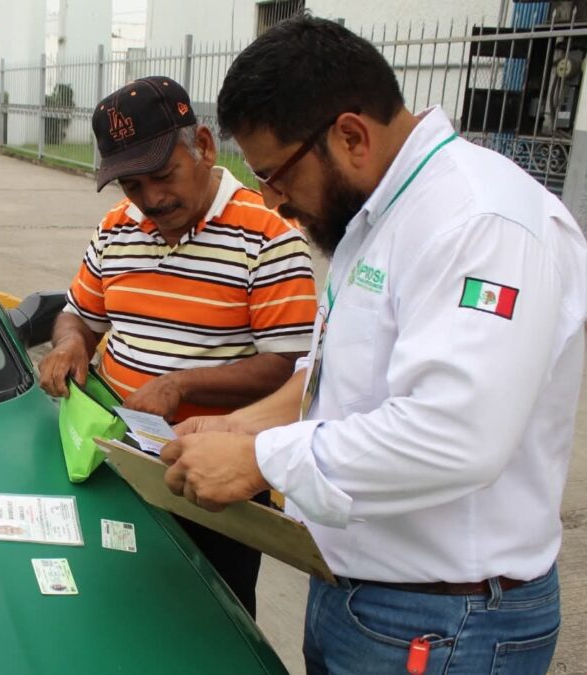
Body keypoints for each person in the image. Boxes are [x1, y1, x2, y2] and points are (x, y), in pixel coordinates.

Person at [162, 15, 587, 674]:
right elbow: (335, 372)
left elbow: (455, 434)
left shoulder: (479, 223)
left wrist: (261, 459)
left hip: (447, 619)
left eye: (277, 176)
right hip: (362, 591)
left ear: (351, 136)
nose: (272, 202)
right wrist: (238, 427)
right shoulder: (378, 215)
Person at [40, 76, 317, 617]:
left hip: (215, 475)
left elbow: (287, 368)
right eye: (132, 186)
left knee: (213, 618)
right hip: (119, 455)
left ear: (204, 147)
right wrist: (71, 343)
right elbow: (79, 314)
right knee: (120, 604)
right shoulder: (116, 228)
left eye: (163, 176)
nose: (151, 200)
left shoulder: (269, 236)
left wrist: (181, 386)